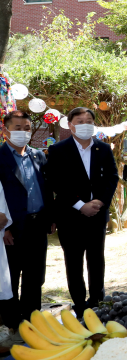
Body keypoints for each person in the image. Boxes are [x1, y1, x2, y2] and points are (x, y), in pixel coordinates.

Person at [46, 107, 118, 318]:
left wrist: (100, 201)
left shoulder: (103, 149)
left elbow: (112, 178)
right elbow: (55, 181)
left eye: (89, 121)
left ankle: (97, 301)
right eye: (80, 120)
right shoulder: (59, 150)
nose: (85, 124)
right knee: (73, 261)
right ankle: (79, 304)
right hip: (70, 217)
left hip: (97, 214)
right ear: (70, 125)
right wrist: (79, 204)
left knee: (96, 260)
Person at [0, 111, 53, 346]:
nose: (23, 132)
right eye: (18, 127)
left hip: (37, 225)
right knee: (10, 277)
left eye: (27, 127)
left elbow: (46, 188)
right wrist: (4, 230)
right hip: (11, 229)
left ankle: (32, 322)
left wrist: (51, 217)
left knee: (35, 277)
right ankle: (13, 325)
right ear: (5, 131)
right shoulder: (0, 157)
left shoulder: (38, 156)